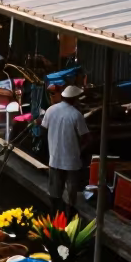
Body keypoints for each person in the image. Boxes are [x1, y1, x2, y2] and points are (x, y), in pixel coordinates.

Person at [42, 84, 91, 217]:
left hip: (55, 158)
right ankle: (68, 217)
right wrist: (79, 149)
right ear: (74, 99)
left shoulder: (51, 110)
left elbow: (44, 128)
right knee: (71, 193)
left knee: (54, 192)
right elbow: (86, 137)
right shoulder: (76, 115)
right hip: (72, 161)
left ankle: (54, 216)